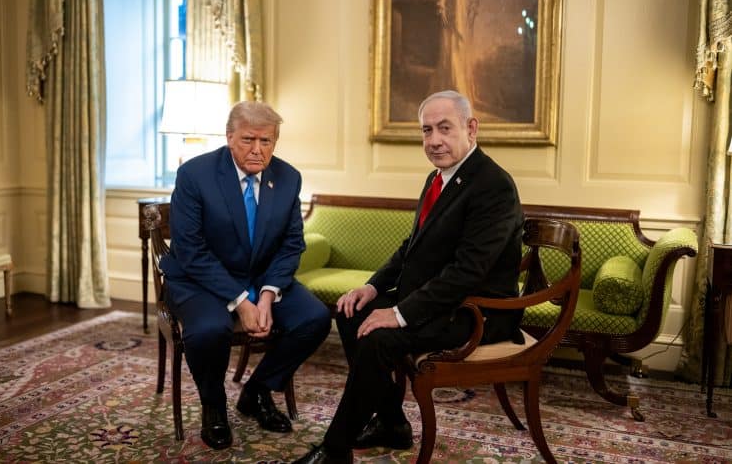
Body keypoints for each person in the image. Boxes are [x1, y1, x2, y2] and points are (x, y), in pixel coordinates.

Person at [292, 90, 524, 464]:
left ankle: (336, 450)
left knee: (379, 338)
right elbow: (410, 247)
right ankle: (392, 424)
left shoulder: (492, 185)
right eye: (427, 130)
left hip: (477, 313)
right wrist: (372, 287)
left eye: (444, 128)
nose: (433, 140)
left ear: (471, 128)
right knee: (352, 313)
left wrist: (398, 314)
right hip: (440, 301)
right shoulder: (441, 177)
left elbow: (467, 272)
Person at [160, 101, 332, 451]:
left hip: (260, 277)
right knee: (210, 329)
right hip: (199, 279)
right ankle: (214, 406)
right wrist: (241, 302)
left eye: (266, 141)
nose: (257, 150)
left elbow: (291, 244)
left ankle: (257, 391)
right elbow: (191, 251)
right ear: (229, 137)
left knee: (314, 318)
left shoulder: (287, 178)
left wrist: (267, 294)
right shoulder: (195, 175)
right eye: (248, 140)